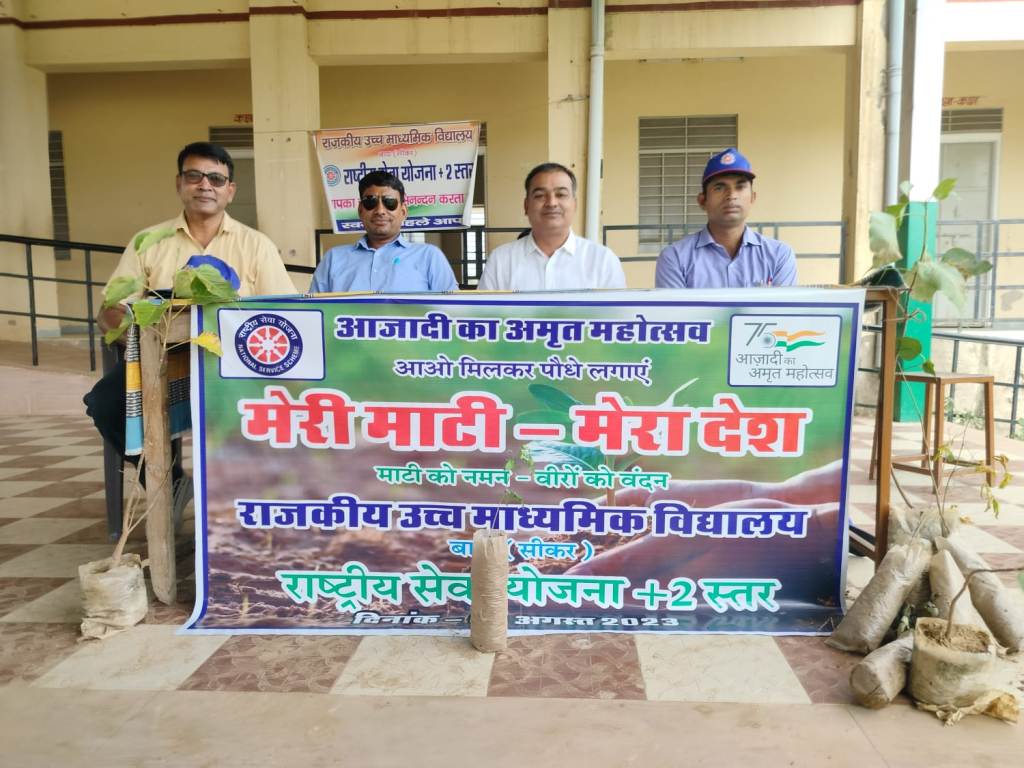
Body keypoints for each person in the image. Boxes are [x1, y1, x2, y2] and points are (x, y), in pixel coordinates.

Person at [86, 141, 295, 516]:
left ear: (230, 190)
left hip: (235, 368)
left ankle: (246, 507)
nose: (205, 185)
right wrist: (135, 334)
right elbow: (110, 309)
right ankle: (168, 483)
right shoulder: (149, 242)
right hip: (161, 363)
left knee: (276, 410)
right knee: (105, 403)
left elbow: (285, 312)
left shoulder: (256, 245)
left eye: (216, 179)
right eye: (195, 176)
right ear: (179, 183)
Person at [654, 147, 797, 289]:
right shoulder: (675, 258)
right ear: (702, 201)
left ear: (752, 197)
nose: (731, 195)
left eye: (740, 187)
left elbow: (782, 305)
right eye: (719, 188)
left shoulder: (779, 255)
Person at [478, 162, 626, 291]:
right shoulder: (500, 261)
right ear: (526, 205)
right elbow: (483, 313)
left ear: (574, 204)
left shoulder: (603, 261)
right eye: (540, 196)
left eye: (560, 195)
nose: (551, 203)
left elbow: (618, 313)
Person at [310, 171, 458, 293]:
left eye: (389, 202)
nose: (380, 211)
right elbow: (314, 312)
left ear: (403, 211)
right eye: (371, 202)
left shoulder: (429, 257)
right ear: (360, 211)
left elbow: (454, 310)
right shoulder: (333, 259)